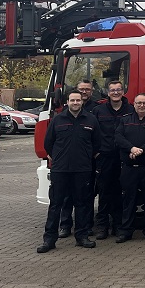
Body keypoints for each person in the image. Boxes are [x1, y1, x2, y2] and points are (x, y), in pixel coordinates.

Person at [38, 91, 101, 253]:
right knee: (56, 205)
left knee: (82, 204)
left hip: (82, 170)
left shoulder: (91, 120)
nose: (75, 102)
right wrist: (58, 158)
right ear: (67, 102)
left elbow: (97, 144)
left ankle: (82, 237)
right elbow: (48, 143)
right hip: (60, 170)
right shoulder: (57, 120)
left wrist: (86, 157)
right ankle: (49, 240)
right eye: (72, 100)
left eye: (78, 100)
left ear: (82, 102)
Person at [114, 94, 145, 243]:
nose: (142, 105)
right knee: (129, 199)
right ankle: (126, 231)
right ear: (134, 104)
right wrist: (131, 148)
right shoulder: (125, 120)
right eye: (139, 103)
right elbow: (118, 137)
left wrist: (141, 150)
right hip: (130, 168)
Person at [91, 79, 134, 239]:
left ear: (123, 91)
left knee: (121, 192)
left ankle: (119, 225)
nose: (116, 93)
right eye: (112, 90)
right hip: (105, 158)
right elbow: (92, 134)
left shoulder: (131, 110)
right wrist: (96, 153)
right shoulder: (98, 110)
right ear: (108, 92)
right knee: (104, 191)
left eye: (119, 89)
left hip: (124, 158)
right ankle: (102, 226)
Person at [58, 80, 94, 237]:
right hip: (65, 164)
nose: (84, 92)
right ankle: (65, 225)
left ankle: (86, 227)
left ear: (91, 92)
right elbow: (50, 141)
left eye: (87, 89)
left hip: (85, 163)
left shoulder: (96, 110)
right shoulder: (62, 115)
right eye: (81, 89)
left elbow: (97, 139)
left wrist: (90, 156)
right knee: (66, 197)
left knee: (86, 197)